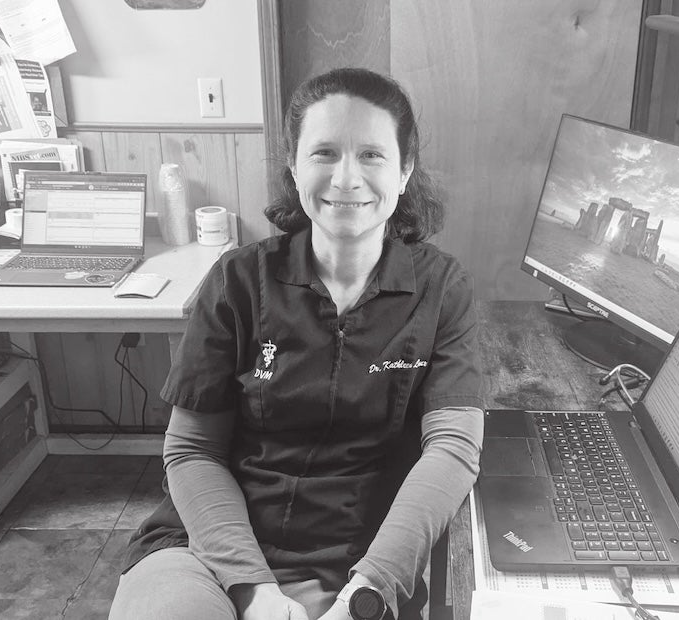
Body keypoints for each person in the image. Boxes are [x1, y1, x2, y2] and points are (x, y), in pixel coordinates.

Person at [108, 67, 484, 620]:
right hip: (206, 548)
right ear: (294, 166)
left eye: (372, 156)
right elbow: (192, 450)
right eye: (325, 153)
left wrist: (371, 588)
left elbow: (452, 451)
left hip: (356, 565)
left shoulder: (442, 289)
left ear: (405, 172)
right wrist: (251, 587)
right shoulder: (237, 280)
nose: (347, 178)